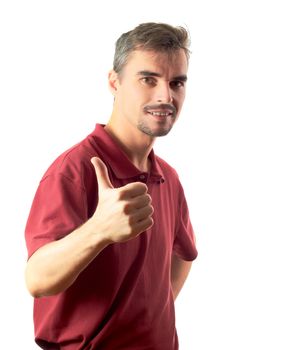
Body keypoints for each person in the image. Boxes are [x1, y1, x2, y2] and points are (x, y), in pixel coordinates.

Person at [25, 22, 198, 350]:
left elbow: (184, 254)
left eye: (176, 83)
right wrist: (99, 230)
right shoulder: (75, 171)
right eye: (148, 79)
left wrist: (146, 317)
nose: (165, 96)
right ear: (114, 82)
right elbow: (36, 279)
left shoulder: (168, 176)